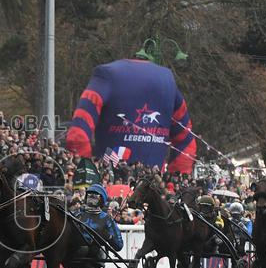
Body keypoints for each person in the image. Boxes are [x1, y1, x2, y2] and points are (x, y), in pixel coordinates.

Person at [65, 48, 197, 174]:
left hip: (108, 180)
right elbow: (186, 140)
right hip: (154, 183)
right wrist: (175, 181)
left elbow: (78, 131)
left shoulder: (106, 74)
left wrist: (85, 172)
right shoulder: (168, 79)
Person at [68, 184, 124, 268]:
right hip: (76, 256)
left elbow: (119, 245)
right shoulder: (77, 215)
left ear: (101, 199)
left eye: (95, 195)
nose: (91, 197)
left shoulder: (107, 219)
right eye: (90, 194)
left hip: (96, 258)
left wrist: (108, 236)